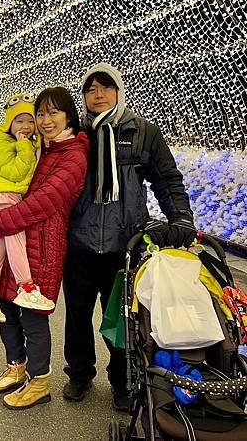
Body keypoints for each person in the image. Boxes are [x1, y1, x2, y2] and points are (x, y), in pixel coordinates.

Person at [61, 63, 196, 411]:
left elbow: (167, 179)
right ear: (85, 97)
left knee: (122, 318)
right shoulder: (75, 135)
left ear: (119, 92)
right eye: (91, 89)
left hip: (126, 245)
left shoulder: (144, 133)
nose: (99, 94)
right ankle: (79, 373)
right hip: (79, 242)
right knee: (77, 316)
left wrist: (180, 217)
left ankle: (121, 380)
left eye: (106, 87)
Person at [0, 87, 89, 410]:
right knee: (7, 307)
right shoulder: (41, 147)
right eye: (40, 113)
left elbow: (44, 202)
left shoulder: (74, 155)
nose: (45, 120)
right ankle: (17, 367)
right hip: (19, 238)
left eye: (53, 113)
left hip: (42, 246)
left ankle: (39, 381)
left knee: (33, 316)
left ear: (69, 116)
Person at [0, 93, 55, 323]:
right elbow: (16, 172)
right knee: (18, 243)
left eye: (30, 121)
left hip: (9, 198)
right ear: (9, 123)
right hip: (2, 198)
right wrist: (23, 145)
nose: (26, 126)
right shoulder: (0, 143)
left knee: (1, 247)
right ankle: (26, 288)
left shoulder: (25, 142)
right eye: (19, 121)